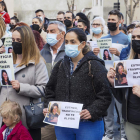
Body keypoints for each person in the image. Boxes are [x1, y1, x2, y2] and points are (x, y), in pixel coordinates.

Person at [43, 28, 112, 140]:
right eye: (66, 42)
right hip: (63, 124)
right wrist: (48, 107)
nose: (69, 45)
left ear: (82, 44)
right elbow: (50, 89)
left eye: (73, 42)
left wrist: (92, 111)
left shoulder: (94, 65)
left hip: (88, 124)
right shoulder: (60, 65)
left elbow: (105, 94)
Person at [0, 25, 49, 140]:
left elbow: (43, 89)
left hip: (25, 120)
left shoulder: (38, 62)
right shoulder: (6, 60)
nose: (15, 43)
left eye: (19, 41)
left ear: (27, 42)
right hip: (5, 119)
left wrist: (21, 87)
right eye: (13, 40)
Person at [107, 23, 140, 140]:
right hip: (131, 121)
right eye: (134, 37)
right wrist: (113, 82)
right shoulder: (128, 64)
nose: (136, 40)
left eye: (139, 37)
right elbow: (122, 97)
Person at [101, 10, 129, 140]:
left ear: (120, 21)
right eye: (109, 19)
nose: (110, 22)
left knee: (122, 109)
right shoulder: (103, 39)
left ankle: (124, 135)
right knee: (108, 110)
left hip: (120, 78)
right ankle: (109, 135)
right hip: (105, 78)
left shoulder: (126, 39)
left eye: (113, 20)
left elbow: (131, 59)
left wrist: (119, 54)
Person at [41, 21, 66, 140]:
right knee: (47, 136)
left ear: (62, 34)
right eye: (47, 32)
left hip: (65, 103)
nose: (48, 34)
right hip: (48, 104)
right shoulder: (42, 52)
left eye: (52, 31)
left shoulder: (70, 52)